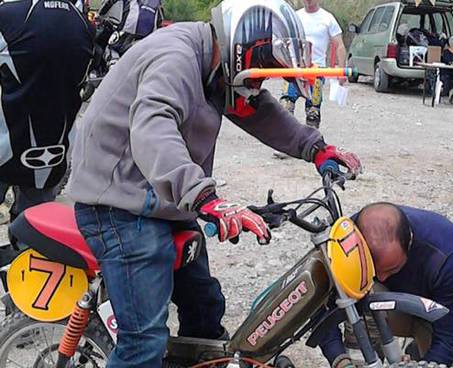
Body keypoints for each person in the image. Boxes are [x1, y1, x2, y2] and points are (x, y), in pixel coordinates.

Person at [67, 0, 362, 366]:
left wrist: (315, 148)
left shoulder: (215, 66)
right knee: (144, 341)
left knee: (205, 310)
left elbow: (257, 109)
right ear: (242, 50)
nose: (262, 80)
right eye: (262, 70)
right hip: (119, 203)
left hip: (160, 198)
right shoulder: (176, 59)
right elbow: (153, 128)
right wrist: (205, 196)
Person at [319, 203, 453, 368]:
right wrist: (340, 360)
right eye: (374, 271)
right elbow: (323, 308)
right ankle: (368, 355)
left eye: (392, 269)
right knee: (361, 294)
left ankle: (418, 350)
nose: (381, 276)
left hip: (442, 317)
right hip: (390, 310)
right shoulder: (350, 240)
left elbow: (449, 338)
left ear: (409, 241)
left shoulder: (448, 254)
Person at [0, 0, 93, 237]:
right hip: (52, 152)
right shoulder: (83, 24)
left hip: (6, 144)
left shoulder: (8, 15)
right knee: (33, 237)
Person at [279, 0, 347, 129]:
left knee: (313, 112)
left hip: (317, 71)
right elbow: (283, 41)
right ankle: (286, 142)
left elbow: (339, 45)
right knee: (285, 106)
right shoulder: (295, 17)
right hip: (295, 69)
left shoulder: (328, 18)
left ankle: (311, 145)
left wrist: (341, 72)